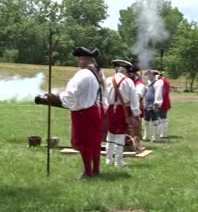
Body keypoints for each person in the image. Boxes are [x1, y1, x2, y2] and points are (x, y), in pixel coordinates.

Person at [45, 46, 108, 179]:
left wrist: (55, 98)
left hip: (83, 113)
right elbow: (104, 94)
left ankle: (87, 173)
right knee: (95, 142)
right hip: (97, 110)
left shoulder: (82, 74)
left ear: (84, 59)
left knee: (84, 142)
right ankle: (95, 170)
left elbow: (70, 95)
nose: (78, 62)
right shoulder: (99, 73)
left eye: (79, 59)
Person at [105, 60, 140, 167]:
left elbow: (104, 97)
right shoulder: (128, 82)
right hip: (123, 110)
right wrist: (136, 113)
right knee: (120, 135)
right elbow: (134, 99)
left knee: (110, 134)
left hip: (110, 109)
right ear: (125, 71)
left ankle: (109, 159)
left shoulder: (108, 80)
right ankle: (118, 161)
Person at [142, 70, 163, 142]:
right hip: (147, 104)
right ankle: (146, 136)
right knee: (146, 121)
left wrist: (156, 103)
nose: (148, 76)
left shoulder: (158, 83)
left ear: (153, 75)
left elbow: (158, 93)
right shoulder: (148, 83)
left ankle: (155, 137)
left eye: (149, 75)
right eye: (147, 75)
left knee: (155, 121)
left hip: (153, 104)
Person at [127, 65, 146, 139]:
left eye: (129, 74)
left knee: (135, 127)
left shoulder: (139, 84)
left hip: (136, 108)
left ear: (134, 74)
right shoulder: (131, 82)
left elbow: (137, 99)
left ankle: (136, 141)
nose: (127, 76)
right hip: (131, 108)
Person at [155, 72, 172, 139]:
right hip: (165, 101)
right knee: (164, 118)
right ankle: (164, 133)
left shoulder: (161, 81)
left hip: (162, 102)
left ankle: (159, 133)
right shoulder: (165, 80)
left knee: (160, 118)